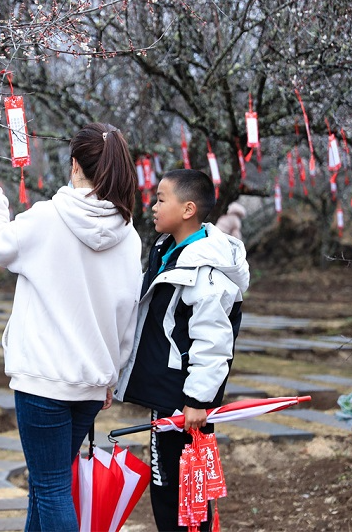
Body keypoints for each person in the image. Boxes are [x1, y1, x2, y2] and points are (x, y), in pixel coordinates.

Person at [0, 123, 142, 531]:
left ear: (75, 165)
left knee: (50, 488)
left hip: (43, 378)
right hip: (91, 382)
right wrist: (112, 375)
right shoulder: (128, 234)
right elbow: (127, 314)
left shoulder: (48, 217)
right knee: (45, 486)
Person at [114, 169, 250, 532]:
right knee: (166, 492)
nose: (153, 206)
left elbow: (213, 342)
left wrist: (197, 400)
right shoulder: (168, 251)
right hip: (167, 398)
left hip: (186, 404)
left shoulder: (205, 269)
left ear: (188, 209)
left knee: (187, 497)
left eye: (161, 199)